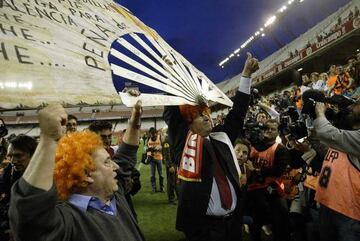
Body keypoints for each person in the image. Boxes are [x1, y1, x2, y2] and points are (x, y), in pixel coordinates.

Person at [9, 101, 145, 241]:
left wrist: (135, 120)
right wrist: (48, 138)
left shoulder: (115, 194)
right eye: (106, 162)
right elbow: (29, 219)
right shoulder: (68, 222)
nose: (115, 166)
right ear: (86, 175)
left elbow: (126, 155)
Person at [164, 53, 259, 241]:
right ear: (189, 123)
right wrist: (172, 75)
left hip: (232, 224)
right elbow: (173, 115)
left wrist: (246, 75)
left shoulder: (220, 137)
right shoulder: (183, 144)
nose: (207, 117)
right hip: (204, 229)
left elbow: (238, 113)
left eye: (207, 113)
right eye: (200, 116)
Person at [313, 102, 360, 241]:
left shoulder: (347, 138)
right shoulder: (345, 136)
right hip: (327, 203)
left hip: (349, 212)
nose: (350, 108)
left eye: (356, 105)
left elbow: (326, 133)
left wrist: (320, 113)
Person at [88, 120, 141, 220]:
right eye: (103, 137)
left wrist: (132, 180)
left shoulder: (115, 151)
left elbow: (133, 176)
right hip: (100, 210)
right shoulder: (86, 160)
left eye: (109, 136)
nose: (108, 140)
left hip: (124, 204)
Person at [0, 135, 37, 241]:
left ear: (33, 155)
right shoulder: (9, 171)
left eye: (18, 156)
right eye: (10, 156)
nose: (13, 161)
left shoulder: (46, 178)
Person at [146, 127, 164, 193]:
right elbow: (146, 148)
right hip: (152, 159)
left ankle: (162, 188)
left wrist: (158, 148)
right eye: (151, 134)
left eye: (154, 134)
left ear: (156, 133)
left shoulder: (160, 138)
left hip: (159, 158)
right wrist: (148, 155)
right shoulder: (148, 139)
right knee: (152, 175)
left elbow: (163, 147)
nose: (153, 135)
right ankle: (154, 188)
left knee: (161, 174)